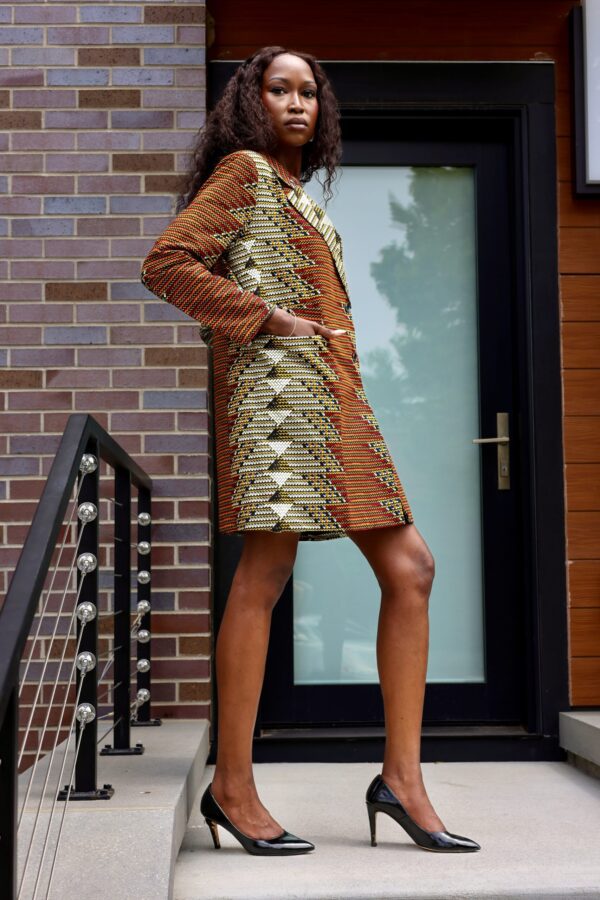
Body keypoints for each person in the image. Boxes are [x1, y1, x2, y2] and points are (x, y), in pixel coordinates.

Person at [140, 45, 481, 857]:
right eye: (279, 89)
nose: (297, 104)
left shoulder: (294, 190)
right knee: (265, 572)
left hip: (331, 399)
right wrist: (267, 316)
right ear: (251, 102)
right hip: (276, 401)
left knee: (412, 567)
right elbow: (166, 264)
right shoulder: (245, 173)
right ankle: (233, 786)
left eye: (309, 93)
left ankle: (402, 780)